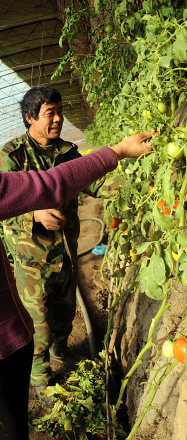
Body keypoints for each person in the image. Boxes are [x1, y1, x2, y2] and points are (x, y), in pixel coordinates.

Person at [0, 131, 152, 440]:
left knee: (65, 312)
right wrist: (33, 213)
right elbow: (17, 204)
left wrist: (129, 189)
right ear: (30, 118)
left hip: (64, 252)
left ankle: (61, 355)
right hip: (33, 261)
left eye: (59, 111)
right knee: (39, 323)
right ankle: (41, 380)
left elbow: (82, 180)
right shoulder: (12, 154)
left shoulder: (66, 150)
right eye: (49, 112)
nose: (56, 119)